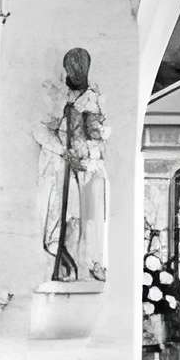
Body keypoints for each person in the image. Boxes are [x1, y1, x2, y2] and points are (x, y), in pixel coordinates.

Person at [37, 46, 108, 283]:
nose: (76, 73)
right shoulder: (60, 98)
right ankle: (63, 263)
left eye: (80, 68)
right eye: (72, 68)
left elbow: (99, 135)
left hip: (87, 168)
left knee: (87, 217)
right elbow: (41, 130)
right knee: (62, 215)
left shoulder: (95, 98)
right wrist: (63, 152)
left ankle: (89, 263)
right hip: (62, 167)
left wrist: (87, 161)